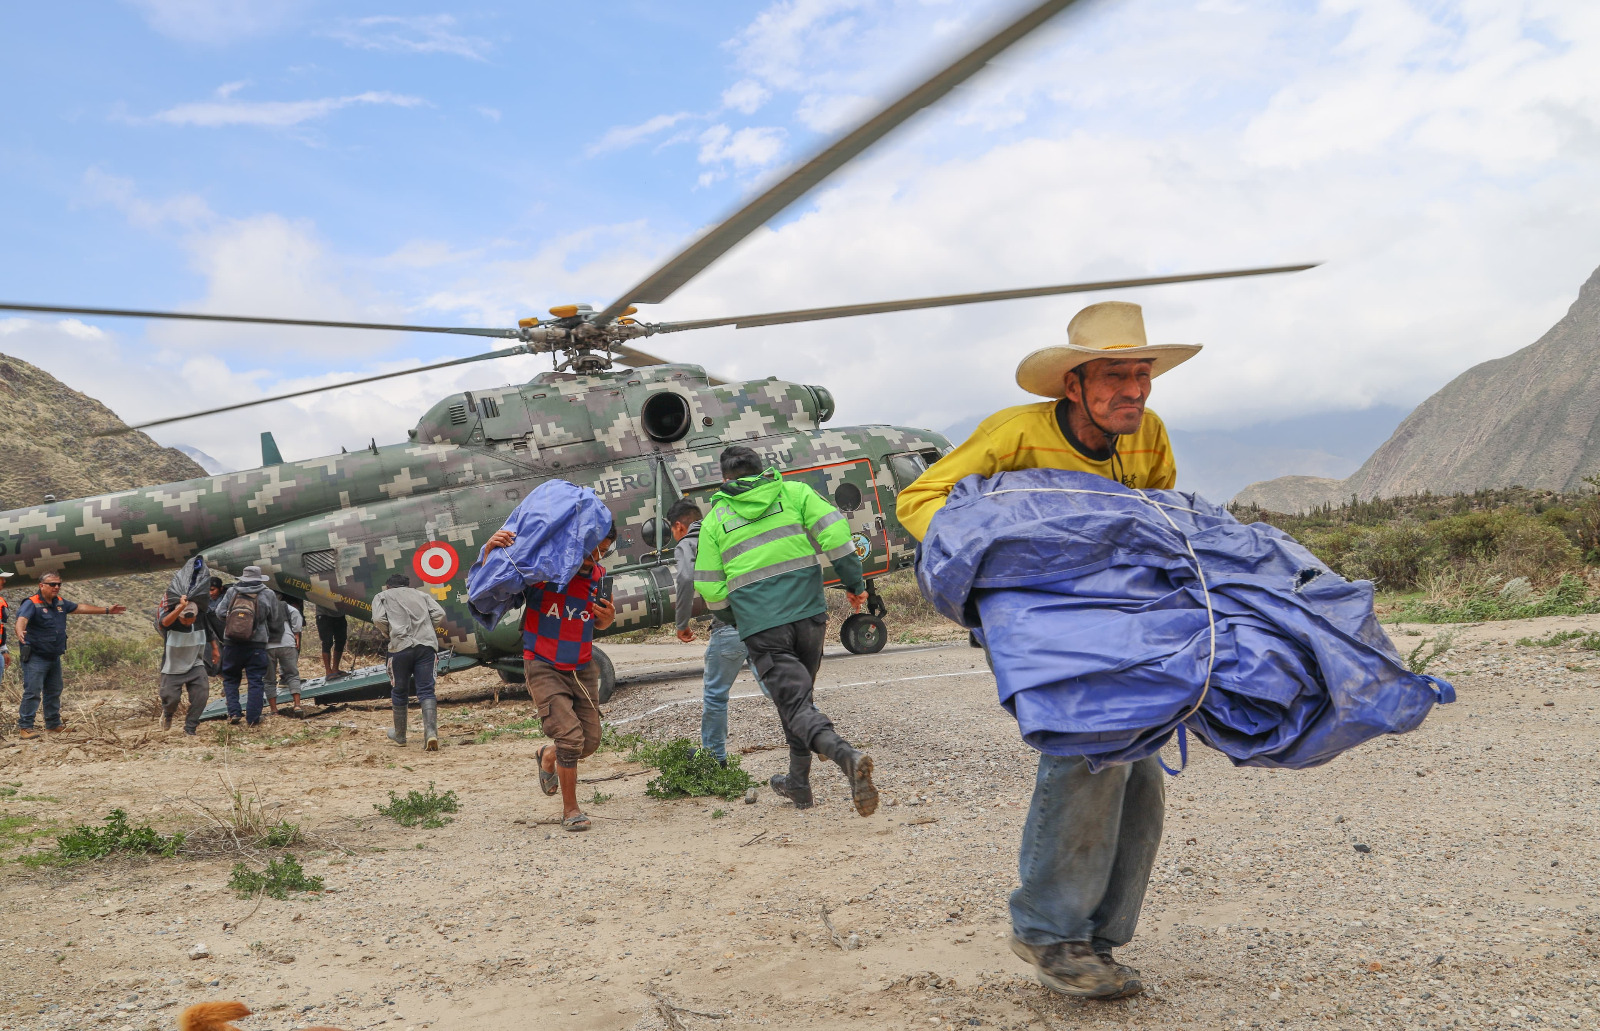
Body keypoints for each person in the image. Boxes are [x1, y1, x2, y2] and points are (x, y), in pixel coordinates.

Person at [894, 300, 1196, 1000]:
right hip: (1045, 620)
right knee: (1090, 748)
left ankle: (1096, 936)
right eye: (1115, 376)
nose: (1134, 390)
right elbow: (921, 501)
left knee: (1141, 771)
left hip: (1118, 618)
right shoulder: (1013, 434)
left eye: (1142, 373)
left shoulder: (1147, 433)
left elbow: (1158, 510)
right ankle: (1047, 930)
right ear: (1074, 385)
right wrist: (1015, 553)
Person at [694, 445, 879, 817]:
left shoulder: (716, 519)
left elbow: (711, 589)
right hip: (809, 616)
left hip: (762, 626)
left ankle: (846, 756)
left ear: (726, 479)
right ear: (762, 469)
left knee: (794, 704)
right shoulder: (795, 492)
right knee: (796, 700)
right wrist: (855, 584)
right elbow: (837, 536)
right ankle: (799, 783)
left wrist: (740, 620)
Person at [481, 520, 617, 831]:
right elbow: (492, 583)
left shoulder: (599, 576)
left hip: (582, 667)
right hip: (543, 664)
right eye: (589, 551)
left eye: (602, 552)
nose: (593, 559)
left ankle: (547, 755)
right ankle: (571, 811)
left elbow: (598, 621)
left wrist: (607, 619)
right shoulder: (543, 571)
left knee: (590, 741)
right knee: (570, 738)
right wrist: (490, 549)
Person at [668, 498, 767, 765]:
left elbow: (687, 577)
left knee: (715, 693)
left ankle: (713, 756)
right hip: (761, 617)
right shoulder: (725, 528)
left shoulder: (688, 542)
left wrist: (682, 623)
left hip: (728, 624)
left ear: (679, 526)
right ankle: (816, 729)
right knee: (776, 685)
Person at [14, 572, 127, 739]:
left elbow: (79, 608)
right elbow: (22, 618)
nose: (56, 587)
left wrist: (107, 610)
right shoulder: (32, 603)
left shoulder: (59, 602)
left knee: (54, 690)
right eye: (52, 584)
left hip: (54, 655)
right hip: (36, 656)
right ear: (41, 585)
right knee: (33, 691)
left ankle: (53, 725)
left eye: (59, 584)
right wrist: (19, 631)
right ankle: (26, 727)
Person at [372, 573, 447, 751]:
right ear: (407, 586)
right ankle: (431, 733)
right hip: (426, 647)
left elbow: (378, 619)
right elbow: (439, 613)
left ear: (388, 587)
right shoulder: (421, 595)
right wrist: (427, 630)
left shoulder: (382, 596)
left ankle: (400, 735)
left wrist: (389, 631)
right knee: (427, 690)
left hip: (400, 648)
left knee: (399, 690)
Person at [208, 566, 285, 727]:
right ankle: (253, 718)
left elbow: (220, 613)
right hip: (256, 645)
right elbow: (275, 618)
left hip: (232, 643)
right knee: (256, 680)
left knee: (230, 679)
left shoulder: (232, 592)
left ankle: (234, 713)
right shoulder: (268, 594)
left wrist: (234, 623)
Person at [155, 596, 211, 735]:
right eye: (183, 618)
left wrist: (215, 649)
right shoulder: (171, 623)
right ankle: (168, 714)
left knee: (201, 695)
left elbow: (209, 633)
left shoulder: (201, 618)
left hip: (195, 663)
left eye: (190, 619)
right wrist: (180, 607)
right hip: (173, 667)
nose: (187, 621)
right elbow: (163, 622)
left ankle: (190, 727)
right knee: (170, 698)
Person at [262, 595, 304, 715]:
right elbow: (296, 612)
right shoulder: (284, 605)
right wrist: (296, 632)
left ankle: (274, 710)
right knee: (292, 675)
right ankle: (297, 705)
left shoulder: (259, 606)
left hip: (267, 645)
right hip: (287, 643)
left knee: (269, 679)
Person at [315, 602, 349, 680]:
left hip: (339, 613)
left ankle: (335, 668)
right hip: (323, 614)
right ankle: (328, 671)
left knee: (341, 639)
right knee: (327, 641)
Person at [0, 570, 13, 687]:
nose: (4, 581)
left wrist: (4, 649)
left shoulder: (1, 601)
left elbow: (1, 628)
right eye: (1, 578)